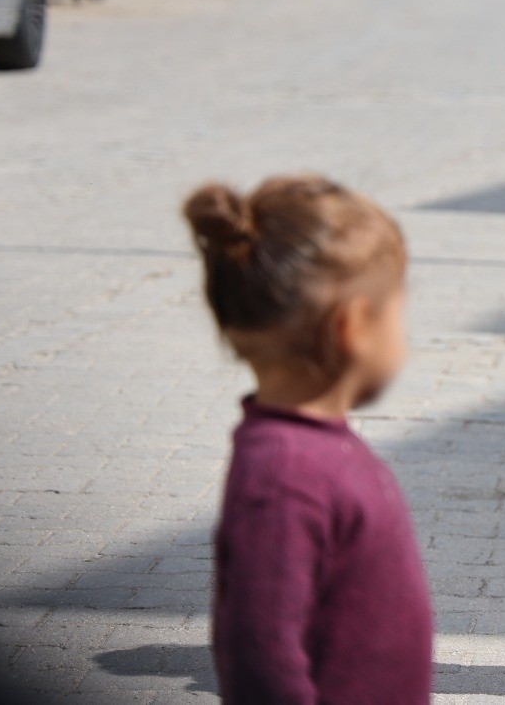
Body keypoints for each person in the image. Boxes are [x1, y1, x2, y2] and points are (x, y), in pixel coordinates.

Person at [183, 175, 433, 703]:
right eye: (398, 310)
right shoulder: (285, 474)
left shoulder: (315, 447)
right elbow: (260, 653)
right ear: (355, 325)